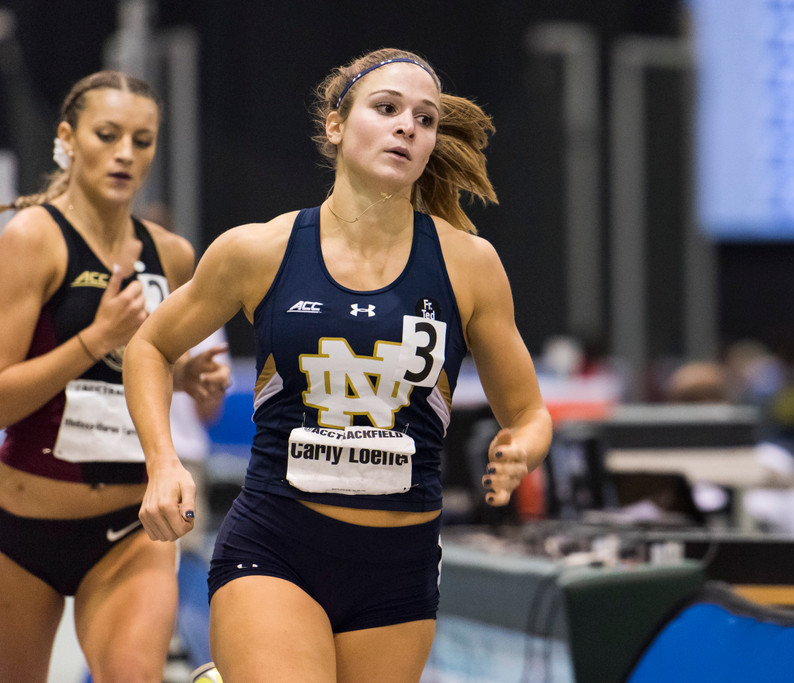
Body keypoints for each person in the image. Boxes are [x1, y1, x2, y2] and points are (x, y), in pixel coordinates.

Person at [123, 48, 553, 682]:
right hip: (277, 544)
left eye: (426, 119)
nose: (408, 126)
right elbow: (149, 348)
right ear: (335, 125)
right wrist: (163, 464)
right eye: (386, 109)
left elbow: (529, 412)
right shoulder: (258, 250)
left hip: (398, 564)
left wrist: (521, 447)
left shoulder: (470, 265)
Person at [0, 70, 229, 682]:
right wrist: (93, 339)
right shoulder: (32, 240)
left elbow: (142, 374)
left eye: (143, 140)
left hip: (131, 528)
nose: (127, 153)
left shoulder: (173, 255)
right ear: (68, 139)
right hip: (23, 531)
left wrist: (189, 379)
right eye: (108, 135)